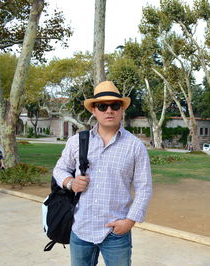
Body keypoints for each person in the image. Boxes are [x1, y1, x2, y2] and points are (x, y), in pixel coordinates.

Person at [53, 81, 152, 266]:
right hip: (81, 228)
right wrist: (70, 182)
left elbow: (144, 188)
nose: (109, 111)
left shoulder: (135, 146)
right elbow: (59, 169)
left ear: (121, 109)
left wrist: (129, 222)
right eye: (102, 106)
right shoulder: (77, 142)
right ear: (94, 110)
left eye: (115, 105)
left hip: (116, 233)